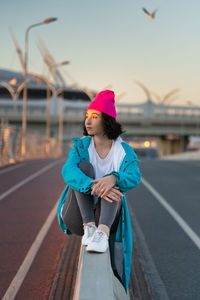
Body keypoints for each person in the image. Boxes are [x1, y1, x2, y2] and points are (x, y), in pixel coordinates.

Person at [57, 89, 141, 292]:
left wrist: (113, 178)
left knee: (115, 184)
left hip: (107, 218)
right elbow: (68, 171)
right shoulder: (81, 147)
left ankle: (102, 232)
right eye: (87, 116)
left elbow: (134, 176)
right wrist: (93, 185)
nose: (88, 120)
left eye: (95, 116)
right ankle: (91, 228)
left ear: (108, 120)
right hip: (77, 215)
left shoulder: (123, 152)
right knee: (84, 169)